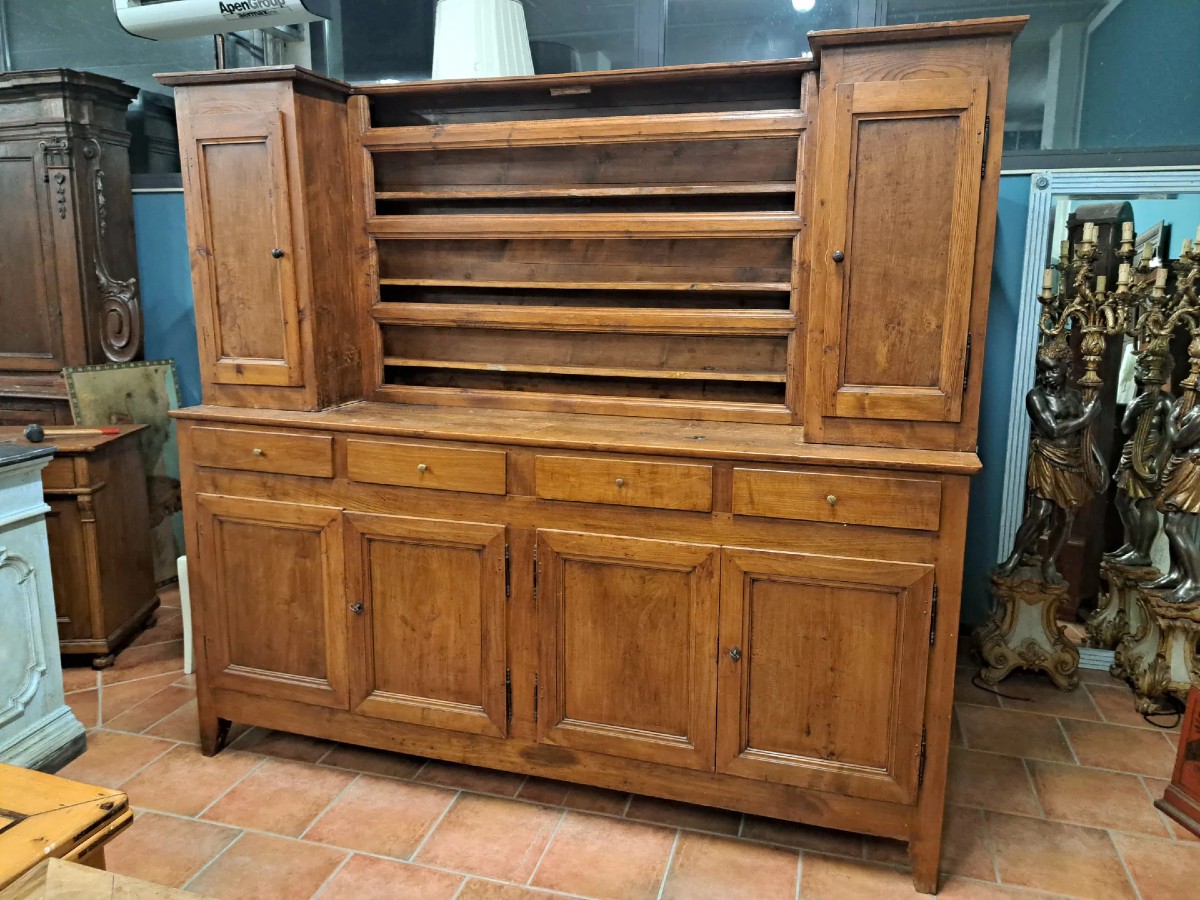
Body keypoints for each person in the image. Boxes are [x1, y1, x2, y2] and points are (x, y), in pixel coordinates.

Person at [999, 339, 1104, 583]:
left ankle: (1050, 562)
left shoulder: (1077, 397)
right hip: (1048, 456)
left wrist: (1098, 463)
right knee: (1040, 512)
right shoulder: (1036, 397)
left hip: (1074, 460)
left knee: (1066, 515)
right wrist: (1087, 417)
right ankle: (1015, 556)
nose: (1047, 376)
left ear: (1067, 368)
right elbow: (1053, 429)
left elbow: (1084, 438)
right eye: (1042, 370)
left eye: (1052, 369)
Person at [1106, 349, 1174, 567]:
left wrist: (1158, 459)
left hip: (1151, 453)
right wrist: (1130, 411)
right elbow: (1126, 429)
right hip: (1132, 448)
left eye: (1143, 368)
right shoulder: (1139, 399)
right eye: (1138, 367)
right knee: (1122, 500)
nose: (1138, 372)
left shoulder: (1166, 402)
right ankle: (1134, 544)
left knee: (1146, 502)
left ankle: (1143, 552)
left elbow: (1170, 437)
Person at [1144, 395, 1200, 602]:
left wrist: (1170, 420)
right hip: (1184, 464)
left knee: (1176, 526)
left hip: (1193, 469)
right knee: (1171, 520)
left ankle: (1195, 582)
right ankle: (1176, 573)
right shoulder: (1195, 406)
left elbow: (1178, 441)